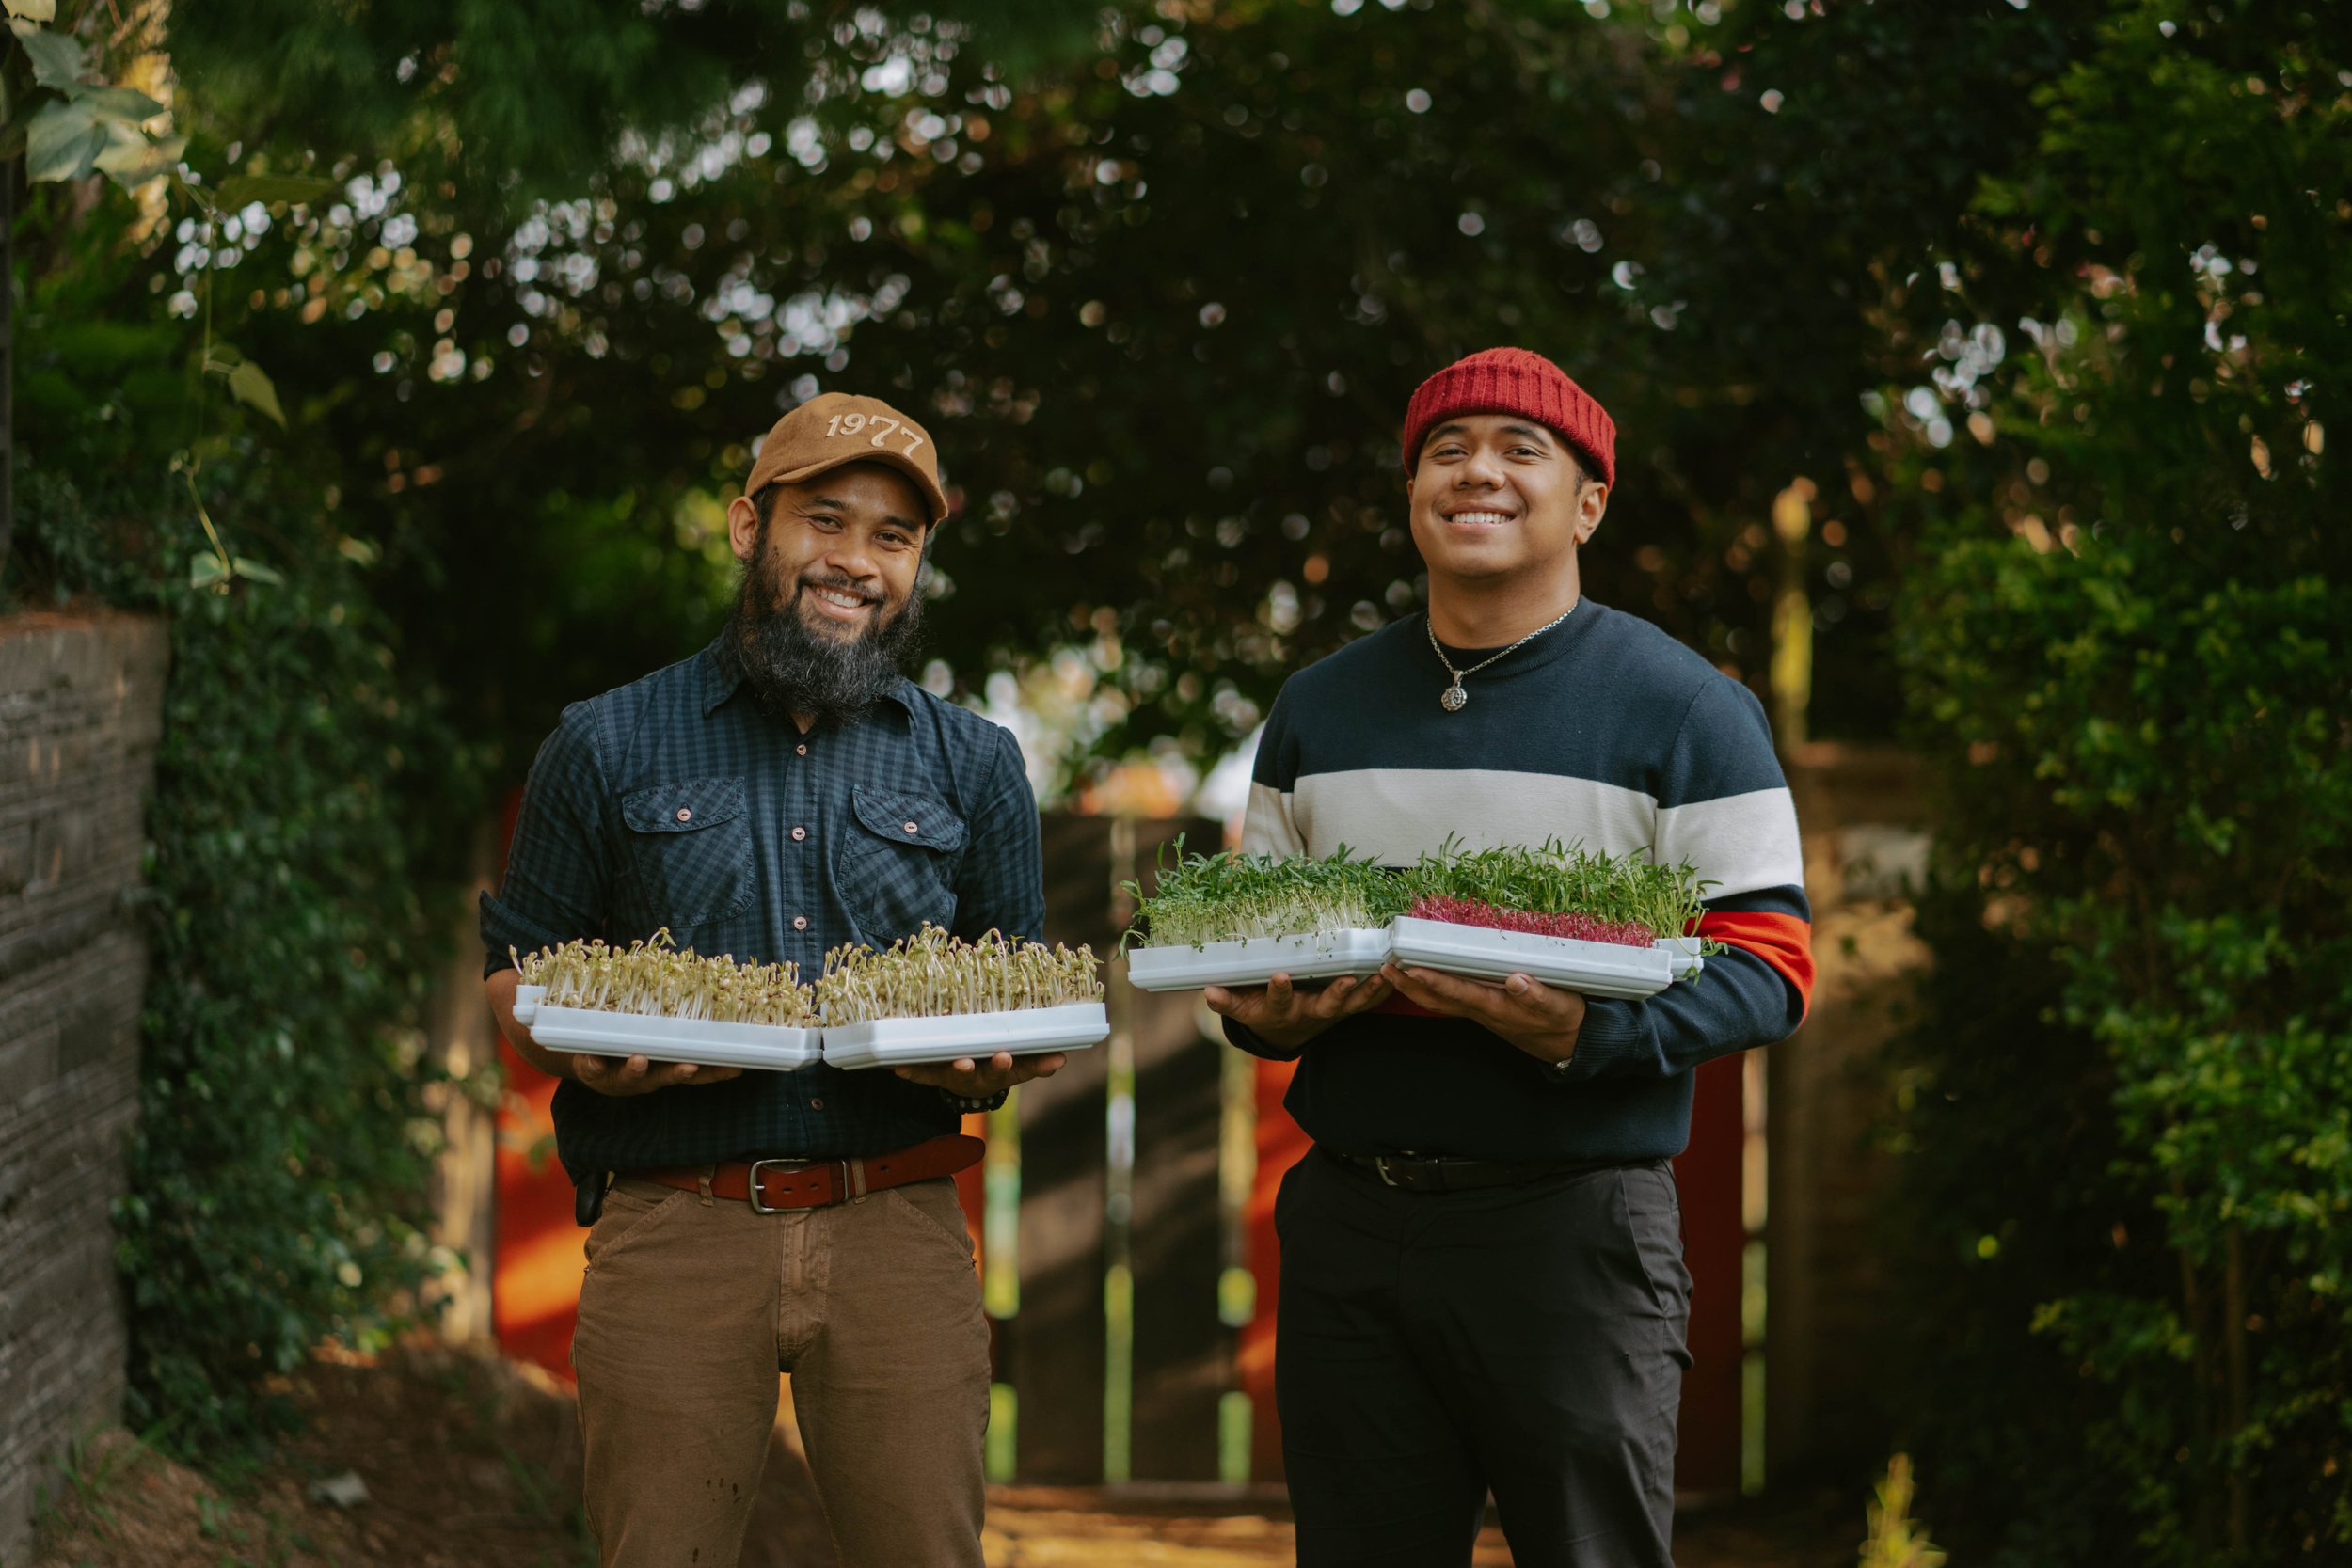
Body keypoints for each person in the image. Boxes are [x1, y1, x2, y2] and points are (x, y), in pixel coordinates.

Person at [1208, 347, 1814, 1568]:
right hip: (1352, 1224)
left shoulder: (1685, 707)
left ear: (1587, 501)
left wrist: (1586, 1033)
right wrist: (1269, 1020)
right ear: (1414, 491)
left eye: (1518, 449)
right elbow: (1255, 964)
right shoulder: (1319, 706)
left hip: (1573, 1229)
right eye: (1446, 450)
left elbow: (1771, 968)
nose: (1477, 470)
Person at [480, 391, 1059, 1568]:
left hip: (898, 1223)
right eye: (826, 521)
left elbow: (1022, 991)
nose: (854, 561)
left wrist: (998, 1058)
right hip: (675, 1221)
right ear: (752, 527)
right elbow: (516, 970)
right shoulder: (607, 740)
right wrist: (578, 1047)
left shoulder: (976, 763)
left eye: (892, 537)